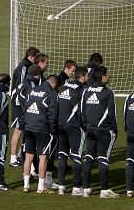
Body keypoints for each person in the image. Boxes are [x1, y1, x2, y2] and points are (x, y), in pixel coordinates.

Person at [80, 66, 119, 198]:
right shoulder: (108, 92)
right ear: (102, 77)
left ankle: (86, 188)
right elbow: (112, 113)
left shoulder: (86, 91)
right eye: (107, 74)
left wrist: (86, 125)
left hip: (89, 129)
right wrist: (114, 128)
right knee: (103, 158)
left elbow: (82, 110)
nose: (109, 77)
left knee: (89, 157)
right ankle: (104, 190)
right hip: (103, 130)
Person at [21, 64, 58, 194]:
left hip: (29, 127)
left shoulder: (32, 90)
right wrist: (53, 130)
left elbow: (25, 108)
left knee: (28, 157)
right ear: (54, 85)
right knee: (43, 158)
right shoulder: (51, 94)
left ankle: (26, 186)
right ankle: (41, 187)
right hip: (43, 129)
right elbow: (52, 115)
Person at [56, 66, 88, 196]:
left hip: (60, 125)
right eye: (87, 76)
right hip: (74, 126)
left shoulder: (64, 87)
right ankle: (76, 187)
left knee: (62, 156)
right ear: (82, 77)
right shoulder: (82, 90)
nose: (88, 78)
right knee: (76, 156)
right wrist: (84, 126)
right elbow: (82, 111)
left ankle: (61, 186)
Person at [10, 46, 39, 166]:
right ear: (31, 56)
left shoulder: (26, 66)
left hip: (22, 103)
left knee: (23, 130)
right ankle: (13, 157)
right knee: (18, 130)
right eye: (36, 58)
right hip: (19, 104)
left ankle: (20, 154)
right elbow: (21, 87)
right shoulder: (23, 67)